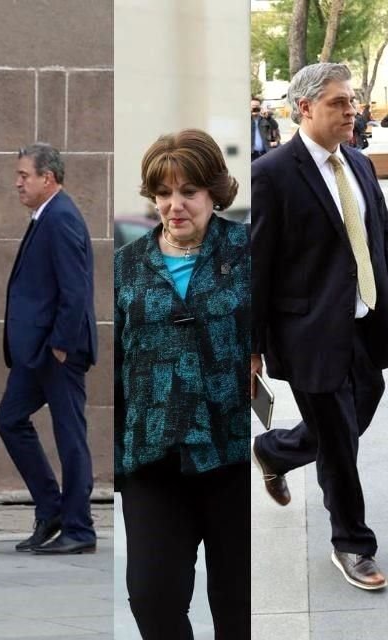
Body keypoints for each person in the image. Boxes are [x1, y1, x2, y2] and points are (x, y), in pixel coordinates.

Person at [252, 62, 388, 591]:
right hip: (307, 333)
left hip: (364, 326)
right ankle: (352, 543)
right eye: (338, 102)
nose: (351, 110)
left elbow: (378, 242)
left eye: (351, 100)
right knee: (338, 440)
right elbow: (257, 266)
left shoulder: (356, 164)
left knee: (357, 412)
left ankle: (277, 450)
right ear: (304, 108)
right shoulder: (272, 175)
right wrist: (252, 347)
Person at [115, 129, 250, 638]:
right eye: (163, 193)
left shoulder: (246, 251)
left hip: (228, 453)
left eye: (187, 192)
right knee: (152, 598)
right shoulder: (126, 265)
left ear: (214, 192)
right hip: (151, 460)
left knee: (237, 604)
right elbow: (115, 367)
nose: (174, 205)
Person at [0, 143, 98, 554]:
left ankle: (79, 529)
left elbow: (76, 290)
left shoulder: (61, 217)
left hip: (57, 351)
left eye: (24, 175)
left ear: (47, 178)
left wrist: (60, 345)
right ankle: (51, 508)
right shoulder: (46, 215)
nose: (17, 182)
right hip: (36, 352)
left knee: (71, 436)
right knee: (9, 420)